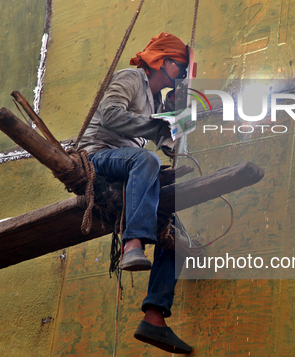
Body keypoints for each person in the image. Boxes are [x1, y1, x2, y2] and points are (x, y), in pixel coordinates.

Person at [77, 32, 192, 354]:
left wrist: (170, 116)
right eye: (180, 68)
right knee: (145, 158)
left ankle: (154, 316)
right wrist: (155, 126)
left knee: (178, 232)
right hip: (98, 157)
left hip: (129, 167)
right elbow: (111, 115)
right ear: (164, 62)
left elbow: (160, 142)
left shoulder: (155, 99)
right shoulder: (130, 78)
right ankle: (133, 244)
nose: (180, 75)